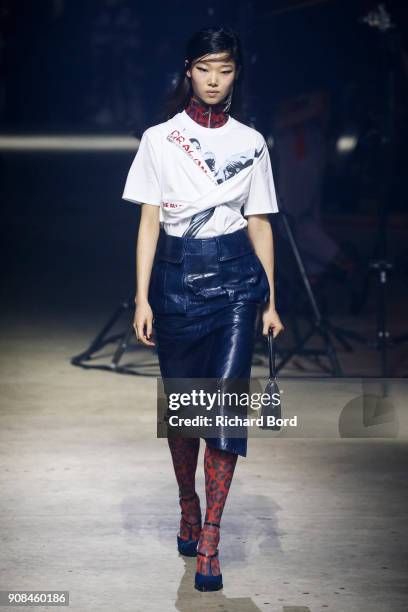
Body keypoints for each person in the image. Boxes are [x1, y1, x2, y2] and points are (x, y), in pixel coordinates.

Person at [122, 26, 284, 592]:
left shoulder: (252, 142)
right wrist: (142, 296)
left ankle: (211, 536)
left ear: (237, 74)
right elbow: (147, 221)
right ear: (188, 70)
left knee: (223, 407)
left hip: (239, 278)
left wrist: (271, 299)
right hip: (175, 278)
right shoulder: (159, 139)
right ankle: (188, 504)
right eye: (205, 69)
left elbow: (260, 220)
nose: (214, 81)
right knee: (186, 409)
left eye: (226, 70)